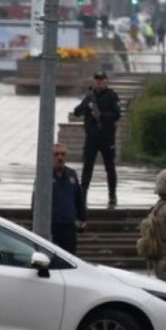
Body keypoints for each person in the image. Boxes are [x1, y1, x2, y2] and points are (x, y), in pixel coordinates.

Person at [73, 70, 121, 207]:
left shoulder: (112, 96)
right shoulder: (90, 96)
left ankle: (112, 195)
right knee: (87, 167)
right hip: (92, 138)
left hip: (107, 137)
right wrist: (87, 108)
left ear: (106, 81)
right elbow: (77, 111)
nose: (99, 82)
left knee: (110, 167)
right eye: (97, 79)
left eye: (101, 79)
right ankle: (83, 195)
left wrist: (101, 115)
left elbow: (117, 114)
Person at [48, 143, 87, 254]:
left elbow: (78, 198)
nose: (60, 157)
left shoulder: (72, 174)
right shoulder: (45, 174)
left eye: (63, 154)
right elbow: (36, 200)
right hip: (52, 226)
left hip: (69, 226)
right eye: (56, 154)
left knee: (70, 256)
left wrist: (83, 218)